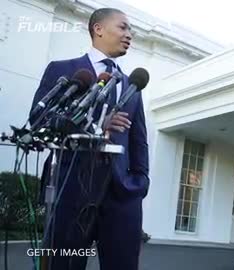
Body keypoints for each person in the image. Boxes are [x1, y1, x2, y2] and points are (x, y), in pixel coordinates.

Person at [29, 8, 148, 270]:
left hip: (122, 193)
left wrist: (141, 181)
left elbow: (139, 140)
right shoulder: (64, 71)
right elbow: (39, 119)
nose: (129, 35)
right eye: (123, 27)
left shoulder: (133, 86)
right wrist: (94, 124)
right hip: (71, 188)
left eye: (131, 31)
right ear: (98, 29)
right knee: (64, 264)